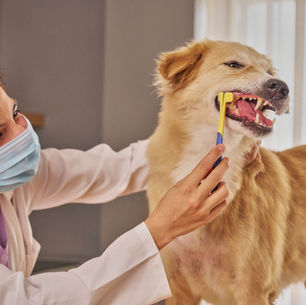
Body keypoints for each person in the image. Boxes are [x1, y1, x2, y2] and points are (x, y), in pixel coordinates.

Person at [0, 82, 231, 305]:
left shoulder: (14, 178)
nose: (21, 132)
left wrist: (212, 141)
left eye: (15, 112)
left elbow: (114, 169)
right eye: (0, 133)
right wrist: (161, 229)